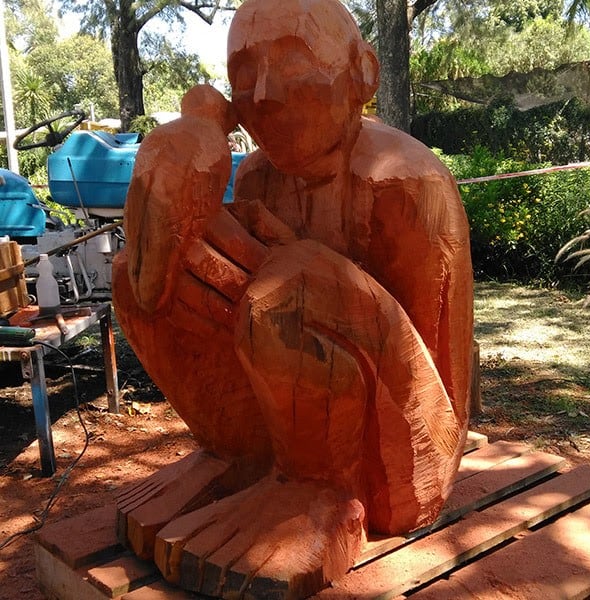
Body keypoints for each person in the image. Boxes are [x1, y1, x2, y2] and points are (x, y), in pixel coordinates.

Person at [112, 0, 473, 596]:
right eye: (244, 71)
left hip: (406, 455)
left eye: (295, 59)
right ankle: (237, 456)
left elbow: (428, 379)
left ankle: (316, 496)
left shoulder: (405, 180)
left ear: (364, 75)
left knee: (292, 280)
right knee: (140, 274)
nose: (265, 93)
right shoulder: (256, 176)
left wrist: (309, 278)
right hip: (291, 418)